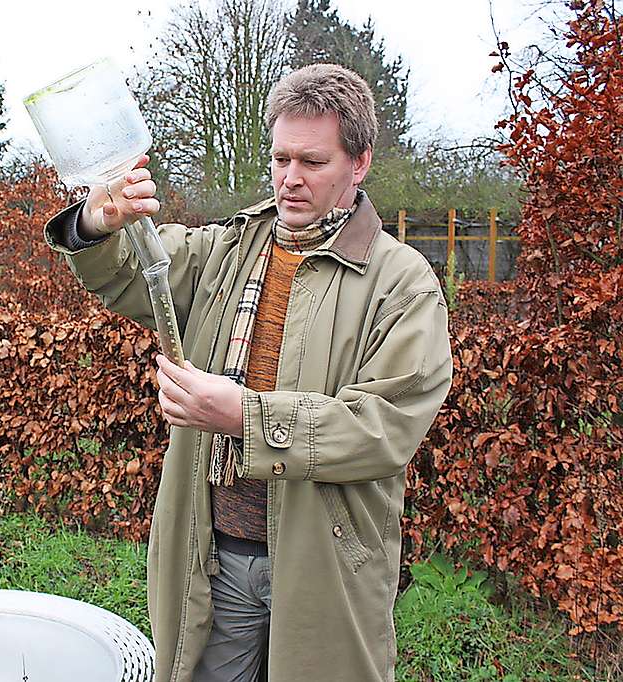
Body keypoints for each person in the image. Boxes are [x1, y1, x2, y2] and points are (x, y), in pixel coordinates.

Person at [44, 63, 452, 682]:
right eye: (280, 158)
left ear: (360, 162)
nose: (290, 179)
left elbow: (383, 429)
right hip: (216, 557)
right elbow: (132, 273)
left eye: (312, 162)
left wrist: (242, 416)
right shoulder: (228, 249)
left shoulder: (401, 283)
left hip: (325, 563)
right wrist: (97, 224)